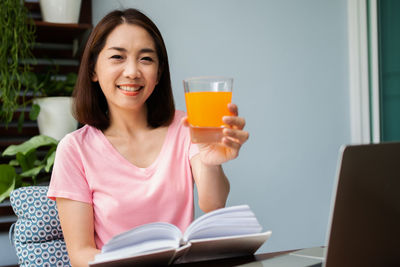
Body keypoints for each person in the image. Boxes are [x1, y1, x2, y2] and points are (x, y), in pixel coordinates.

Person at [47, 8, 249, 267]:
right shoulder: (75, 149)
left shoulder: (185, 126)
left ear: (159, 72)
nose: (132, 72)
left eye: (146, 59)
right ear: (93, 70)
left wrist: (211, 160)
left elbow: (213, 204)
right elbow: (81, 256)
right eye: (117, 57)